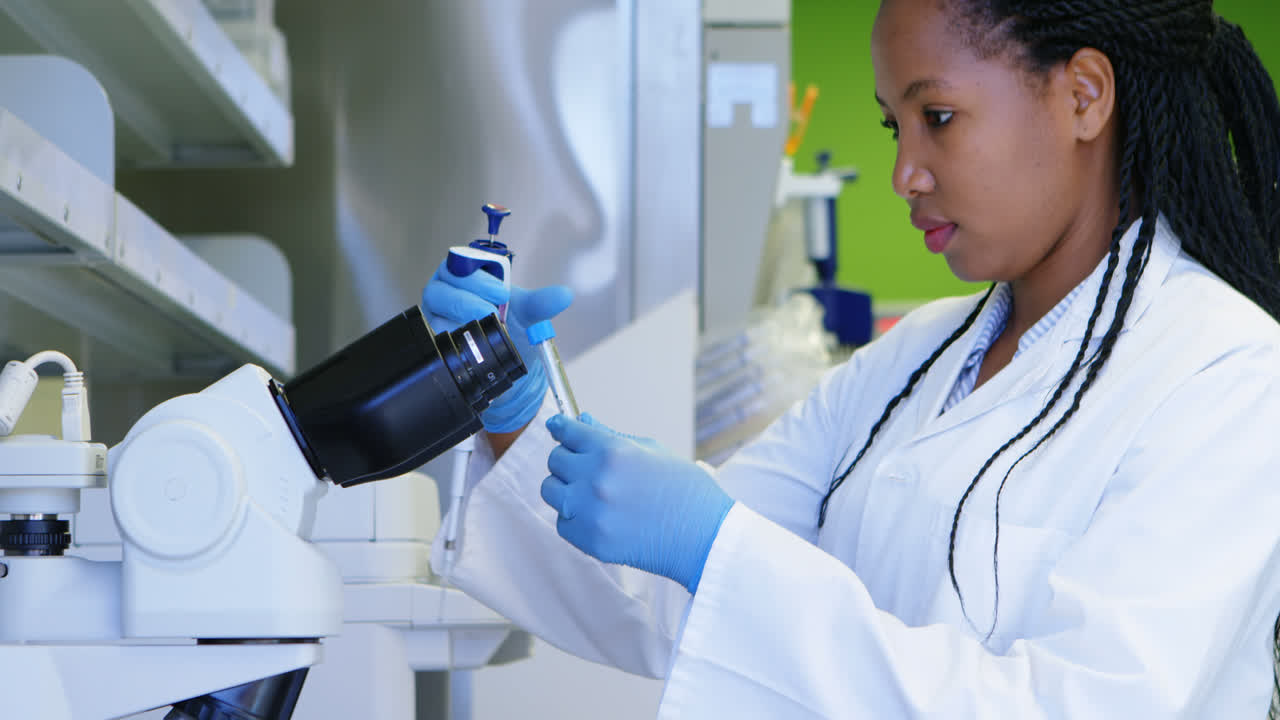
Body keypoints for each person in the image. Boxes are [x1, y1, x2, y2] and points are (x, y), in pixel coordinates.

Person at [422, 0, 1280, 716]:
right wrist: (512, 413)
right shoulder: (910, 361)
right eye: (893, 125)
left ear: (1084, 96)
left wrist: (719, 547)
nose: (905, 172)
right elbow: (675, 598)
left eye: (936, 117)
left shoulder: (1225, 374)